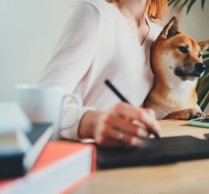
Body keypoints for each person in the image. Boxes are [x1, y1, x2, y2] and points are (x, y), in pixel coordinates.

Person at [39, 0, 168, 147]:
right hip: (81, 153)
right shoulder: (96, 13)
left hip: (127, 153)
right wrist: (92, 122)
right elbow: (42, 103)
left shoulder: (159, 36)